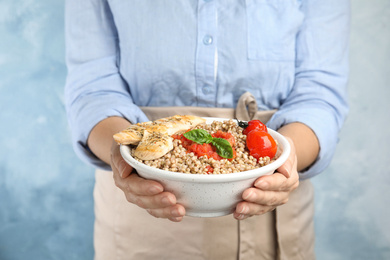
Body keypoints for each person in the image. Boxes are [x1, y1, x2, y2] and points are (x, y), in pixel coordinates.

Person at [64, 0, 349, 259]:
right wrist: (124, 151)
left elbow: (319, 90)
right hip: (142, 205)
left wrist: (286, 155)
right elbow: (93, 88)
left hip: (272, 205)